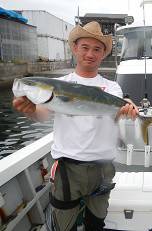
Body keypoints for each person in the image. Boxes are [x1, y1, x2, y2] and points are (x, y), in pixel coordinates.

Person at [12, 21, 138, 231]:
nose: (90, 54)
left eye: (97, 49)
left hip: (102, 166)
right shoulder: (61, 84)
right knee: (64, 222)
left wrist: (128, 108)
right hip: (67, 167)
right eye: (85, 47)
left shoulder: (112, 87)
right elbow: (42, 114)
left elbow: (114, 111)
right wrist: (31, 110)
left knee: (96, 221)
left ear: (104, 53)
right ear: (74, 48)